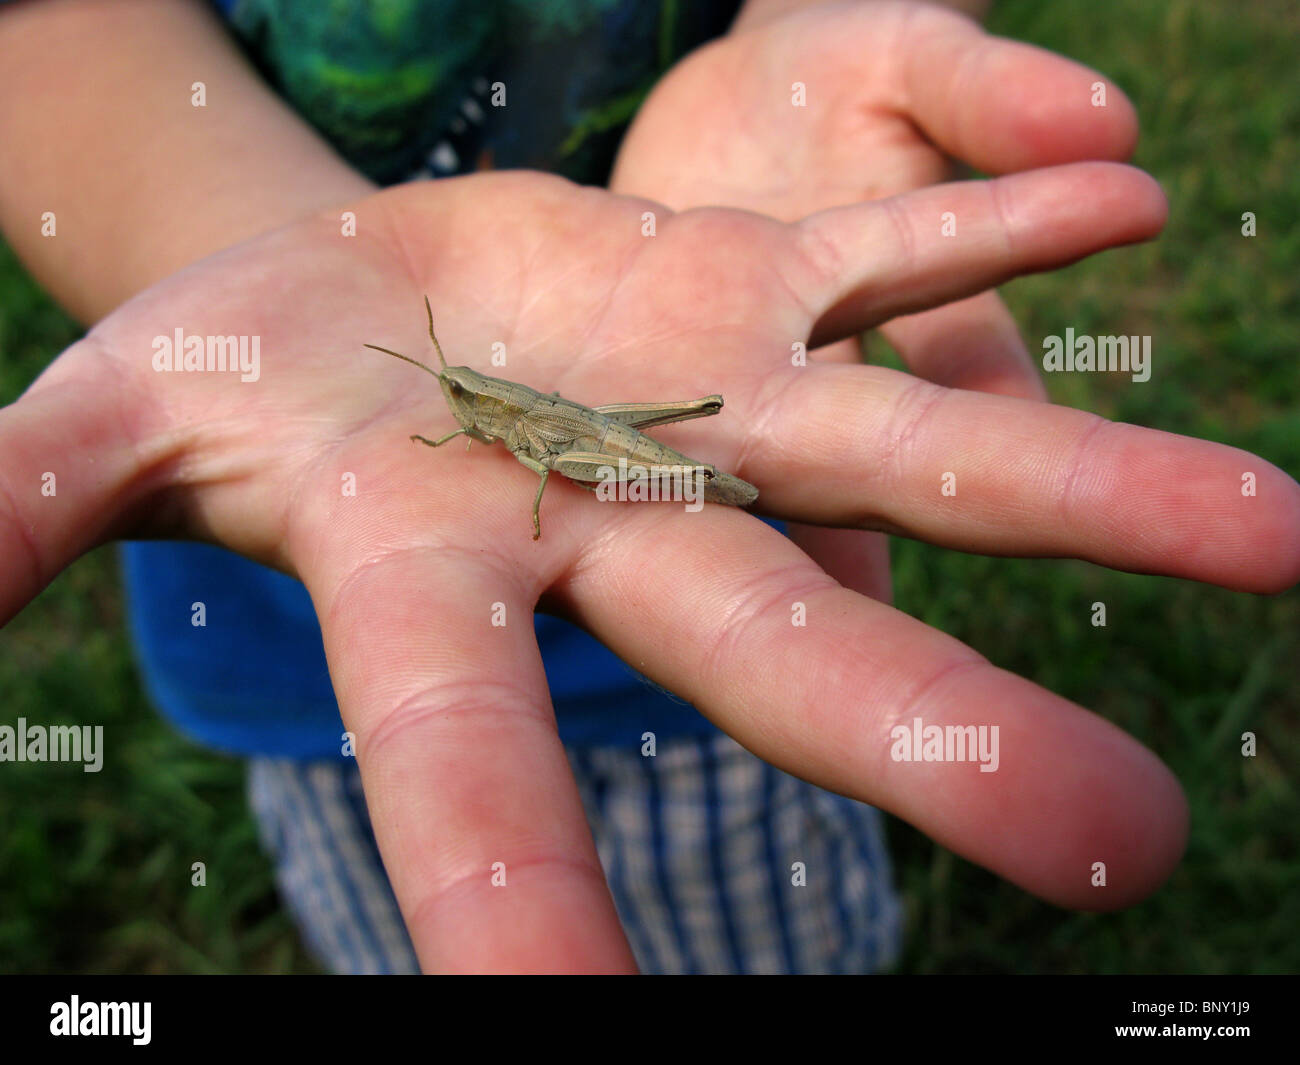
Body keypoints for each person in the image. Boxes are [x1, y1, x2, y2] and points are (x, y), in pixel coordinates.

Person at [1, 0, 1295, 973]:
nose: (455, 412)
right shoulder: (464, 414)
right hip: (311, 672)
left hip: (643, 516)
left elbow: (549, 455)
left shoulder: (511, 426)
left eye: (461, 402)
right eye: (453, 404)